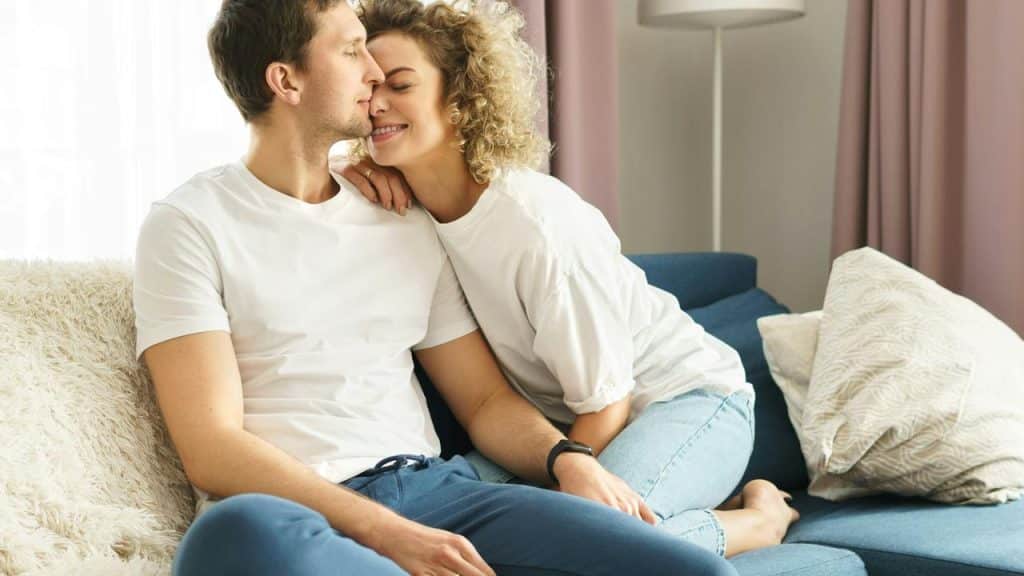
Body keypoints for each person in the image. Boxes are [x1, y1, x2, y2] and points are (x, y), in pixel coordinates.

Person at [133, 0, 739, 575]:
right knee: (232, 532)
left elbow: (484, 402)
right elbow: (211, 446)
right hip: (298, 514)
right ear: (286, 81)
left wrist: (566, 461)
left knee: (693, 570)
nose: (373, 73)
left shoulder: (402, 216)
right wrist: (387, 531)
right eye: (351, 51)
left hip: (434, 490)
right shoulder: (190, 224)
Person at [342, 0, 801, 559]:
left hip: (684, 402)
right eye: (370, 88)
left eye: (400, 85)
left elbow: (609, 401)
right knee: (431, 527)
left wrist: (564, 491)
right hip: (558, 426)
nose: (376, 104)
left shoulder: (535, 223)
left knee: (591, 547)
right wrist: (352, 168)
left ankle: (758, 522)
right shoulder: (406, 215)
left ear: (460, 99)